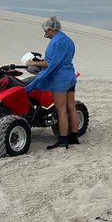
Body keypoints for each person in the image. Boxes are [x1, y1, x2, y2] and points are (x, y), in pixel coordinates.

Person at [24, 16, 79, 150]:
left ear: (51, 30)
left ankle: (63, 140)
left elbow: (51, 63)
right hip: (70, 75)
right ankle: (74, 136)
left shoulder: (55, 42)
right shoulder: (67, 39)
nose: (46, 36)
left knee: (61, 110)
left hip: (60, 78)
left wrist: (34, 63)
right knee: (71, 107)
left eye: (46, 33)